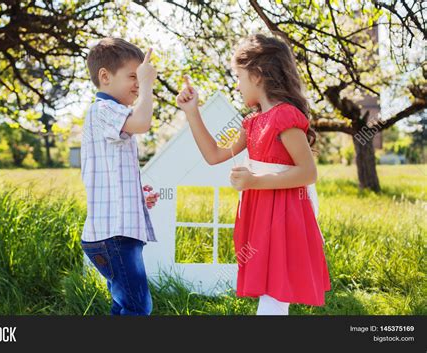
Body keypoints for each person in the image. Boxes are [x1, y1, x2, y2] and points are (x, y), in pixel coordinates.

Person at [176, 34, 331, 315]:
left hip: (284, 214)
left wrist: (254, 181)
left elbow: (308, 172)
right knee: (270, 290)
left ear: (257, 75)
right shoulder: (252, 122)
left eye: (239, 76)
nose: (236, 85)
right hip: (262, 212)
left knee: (275, 289)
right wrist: (192, 112)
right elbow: (215, 155)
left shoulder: (285, 116)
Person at [80, 38, 159, 315]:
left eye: (140, 78)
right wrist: (149, 84)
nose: (138, 84)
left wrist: (139, 195)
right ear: (105, 76)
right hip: (112, 235)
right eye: (133, 77)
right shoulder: (103, 110)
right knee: (138, 306)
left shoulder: (113, 114)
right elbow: (143, 123)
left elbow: (113, 173)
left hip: (116, 233)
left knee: (126, 304)